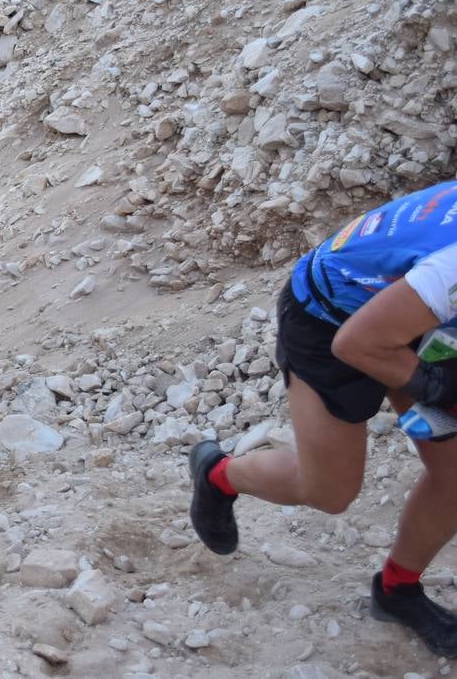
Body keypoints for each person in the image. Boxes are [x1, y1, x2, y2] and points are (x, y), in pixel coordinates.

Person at [188, 180, 457, 655]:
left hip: (413, 314)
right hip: (328, 317)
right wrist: (438, 387)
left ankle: (397, 590)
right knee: (329, 492)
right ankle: (218, 475)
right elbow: (356, 343)